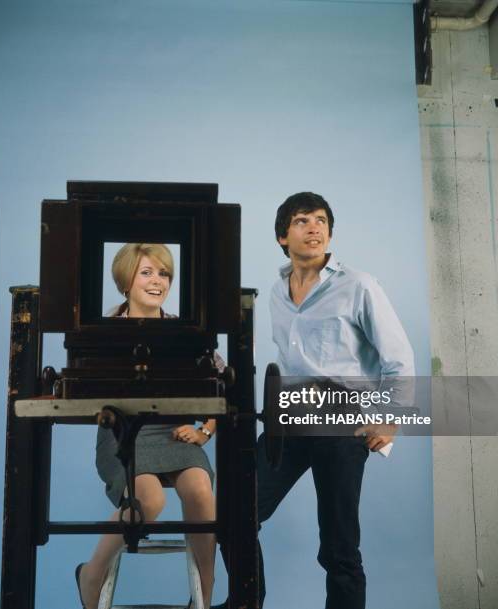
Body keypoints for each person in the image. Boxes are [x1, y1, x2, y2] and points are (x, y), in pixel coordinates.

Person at [214, 192, 414, 609]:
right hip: (290, 420)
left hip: (344, 421)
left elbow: (399, 358)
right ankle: (248, 602)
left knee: (339, 547)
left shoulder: (358, 285)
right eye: (303, 221)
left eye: (321, 220)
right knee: (234, 515)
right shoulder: (276, 291)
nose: (314, 228)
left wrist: (389, 419)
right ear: (281, 236)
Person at [76, 243, 217, 609]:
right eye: (147, 272)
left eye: (164, 273)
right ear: (126, 281)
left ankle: (204, 591)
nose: (158, 281)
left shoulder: (185, 329)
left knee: (201, 490)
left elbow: (224, 382)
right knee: (149, 500)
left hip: (174, 432)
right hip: (124, 434)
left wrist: (206, 430)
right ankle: (91, 573)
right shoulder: (105, 329)